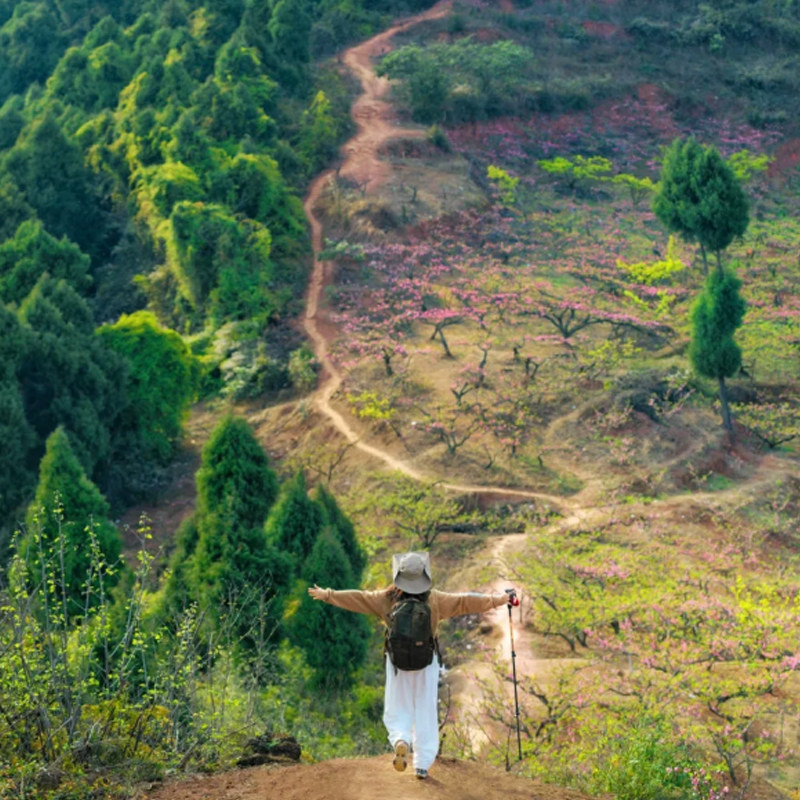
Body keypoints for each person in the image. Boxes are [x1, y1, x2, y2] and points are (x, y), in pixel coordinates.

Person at [308, 550, 518, 780]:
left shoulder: (386, 599)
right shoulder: (435, 599)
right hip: (426, 662)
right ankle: (422, 763)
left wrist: (328, 594)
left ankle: (400, 739)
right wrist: (499, 599)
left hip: (396, 663)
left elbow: (358, 598)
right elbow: (465, 601)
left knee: (397, 706)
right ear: (424, 576)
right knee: (425, 710)